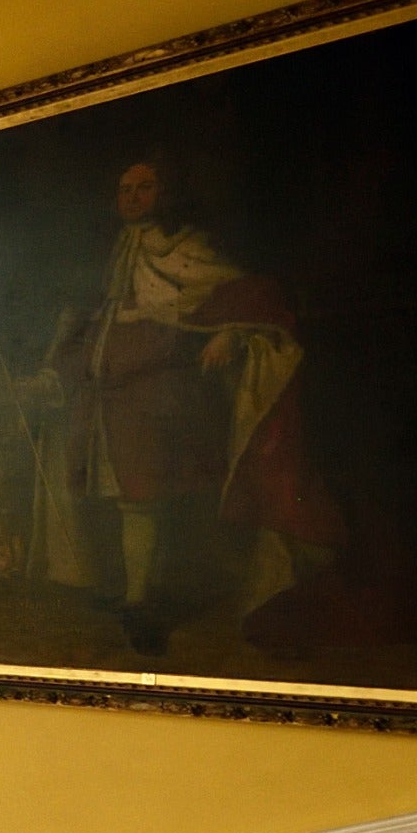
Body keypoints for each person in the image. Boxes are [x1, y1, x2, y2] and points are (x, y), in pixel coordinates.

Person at [53, 159, 334, 655]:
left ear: (166, 194)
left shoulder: (188, 250)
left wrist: (228, 333)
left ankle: (142, 604)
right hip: (106, 396)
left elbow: (247, 295)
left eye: (144, 187)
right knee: (121, 499)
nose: (132, 197)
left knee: (147, 499)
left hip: (160, 395)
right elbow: (91, 310)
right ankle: (132, 595)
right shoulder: (118, 250)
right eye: (124, 189)